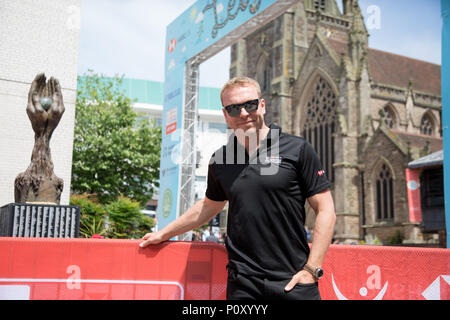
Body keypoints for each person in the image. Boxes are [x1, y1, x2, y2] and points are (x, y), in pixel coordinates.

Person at [140, 77, 336, 300]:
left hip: (293, 281)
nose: (243, 113)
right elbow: (207, 207)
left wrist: (312, 270)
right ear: (225, 115)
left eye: (250, 104)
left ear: (262, 105)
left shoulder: (297, 148)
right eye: (233, 108)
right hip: (243, 284)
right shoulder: (220, 159)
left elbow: (325, 209)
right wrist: (164, 233)